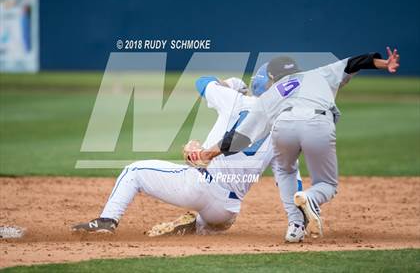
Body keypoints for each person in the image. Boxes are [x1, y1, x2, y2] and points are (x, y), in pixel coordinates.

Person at [186, 47, 400, 239]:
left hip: (284, 126)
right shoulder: (318, 74)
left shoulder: (272, 94)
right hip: (318, 122)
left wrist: (208, 154)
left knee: (285, 170)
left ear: (271, 77)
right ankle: (310, 198)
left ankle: (295, 227)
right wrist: (384, 64)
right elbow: (355, 62)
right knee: (327, 185)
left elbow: (242, 136)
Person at [72, 76, 304, 242]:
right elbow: (291, 183)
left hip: (200, 186)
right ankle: (198, 226)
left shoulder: (236, 100)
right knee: (217, 219)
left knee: (133, 171)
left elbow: (202, 82)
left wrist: (230, 84)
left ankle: (107, 220)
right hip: (226, 211)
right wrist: (299, 220)